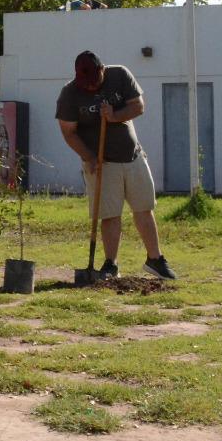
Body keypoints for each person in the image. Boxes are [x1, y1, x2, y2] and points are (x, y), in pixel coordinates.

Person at [55, 50, 177, 281]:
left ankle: (155, 260)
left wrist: (114, 116)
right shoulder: (69, 94)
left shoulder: (120, 75)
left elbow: (138, 106)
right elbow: (68, 133)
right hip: (102, 163)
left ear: (102, 69)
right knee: (110, 214)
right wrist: (89, 157)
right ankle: (111, 264)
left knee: (143, 208)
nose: (90, 88)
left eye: (94, 82)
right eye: (85, 84)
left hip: (133, 156)